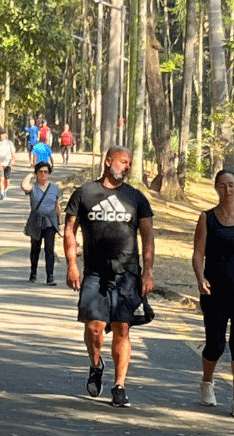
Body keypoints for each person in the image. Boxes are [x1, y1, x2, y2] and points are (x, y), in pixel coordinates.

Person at [63, 146, 155, 408]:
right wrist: (72, 265)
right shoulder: (85, 194)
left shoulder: (136, 198)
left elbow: (148, 236)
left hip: (127, 272)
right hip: (94, 272)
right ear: (108, 162)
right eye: (123, 162)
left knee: (121, 328)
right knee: (93, 327)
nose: (126, 167)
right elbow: (70, 230)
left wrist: (147, 272)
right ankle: (95, 364)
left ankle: (119, 385)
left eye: (129, 163)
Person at [191, 170, 234, 418]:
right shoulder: (207, 218)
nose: (227, 190)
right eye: (222, 186)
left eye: (231, 185)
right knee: (215, 344)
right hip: (215, 289)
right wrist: (201, 278)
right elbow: (198, 253)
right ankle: (207, 382)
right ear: (216, 188)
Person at [21, 162, 63, 285]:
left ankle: (50, 276)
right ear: (37, 173)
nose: (43, 174)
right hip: (36, 221)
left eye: (45, 172)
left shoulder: (55, 188)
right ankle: (33, 272)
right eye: (40, 172)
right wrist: (30, 175)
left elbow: (57, 206)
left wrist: (59, 223)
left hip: (50, 221)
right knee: (35, 248)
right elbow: (24, 186)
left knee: (49, 249)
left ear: (49, 173)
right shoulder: (33, 187)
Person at [0, 132, 17, 200]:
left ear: (6, 135)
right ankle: (2, 193)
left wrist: (13, 160)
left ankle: (6, 190)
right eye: (0, 135)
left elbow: (13, 152)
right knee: (1, 179)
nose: (1, 136)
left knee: (7, 179)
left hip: (7, 163)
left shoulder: (9, 143)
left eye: (3, 135)